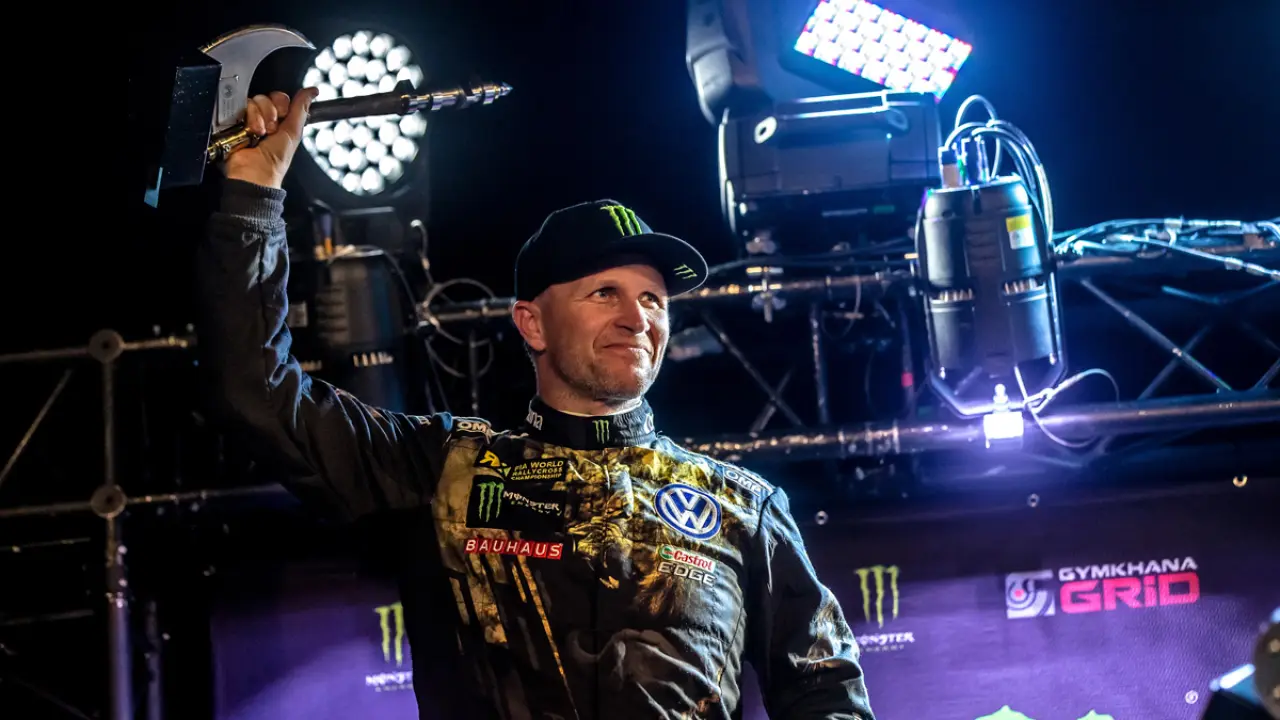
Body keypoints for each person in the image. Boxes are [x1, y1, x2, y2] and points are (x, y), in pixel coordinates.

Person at [199, 87, 875, 720]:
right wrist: (253, 199)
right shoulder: (441, 470)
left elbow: (826, 690)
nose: (637, 318)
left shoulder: (742, 507)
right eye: (605, 293)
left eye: (653, 299)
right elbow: (257, 393)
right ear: (532, 324)